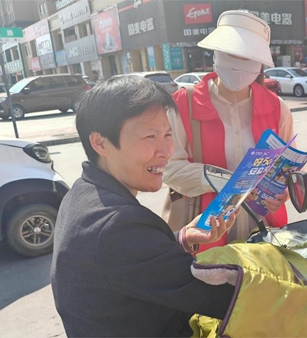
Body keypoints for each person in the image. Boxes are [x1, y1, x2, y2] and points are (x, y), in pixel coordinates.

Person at [50, 76, 239, 337]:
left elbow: (130, 264)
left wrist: (182, 238)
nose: (166, 151)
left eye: (168, 134)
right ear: (100, 143)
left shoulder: (83, 192)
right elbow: (223, 298)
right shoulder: (117, 225)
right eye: (150, 136)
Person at [162, 10, 294, 251]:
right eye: (231, 54)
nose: (237, 65)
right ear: (216, 54)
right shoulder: (183, 104)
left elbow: (285, 168)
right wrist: (224, 180)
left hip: (263, 234)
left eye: (247, 57)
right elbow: (169, 169)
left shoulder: (277, 108)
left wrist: (281, 192)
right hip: (204, 232)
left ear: (259, 63)